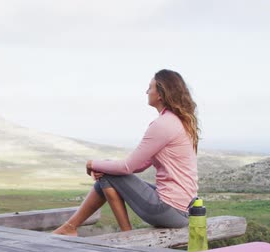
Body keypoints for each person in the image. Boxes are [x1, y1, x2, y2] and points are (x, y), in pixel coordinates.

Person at [52, 69, 199, 236]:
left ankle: (126, 234)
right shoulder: (178, 122)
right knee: (107, 174)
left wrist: (92, 164)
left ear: (160, 93)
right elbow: (141, 164)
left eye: (149, 88)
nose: (146, 92)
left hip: (169, 211)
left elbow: (127, 167)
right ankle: (70, 227)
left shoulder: (163, 124)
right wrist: (105, 166)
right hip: (184, 211)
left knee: (107, 175)